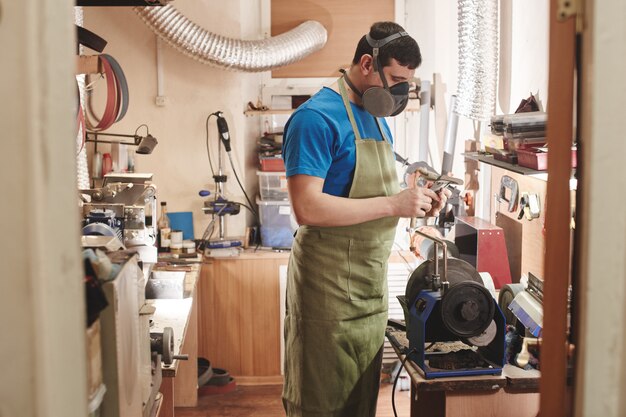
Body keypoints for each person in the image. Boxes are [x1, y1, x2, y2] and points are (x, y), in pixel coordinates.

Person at [281, 21, 450, 416]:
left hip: (367, 291)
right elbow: (307, 207)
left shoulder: (375, 117)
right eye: (394, 79)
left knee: (360, 407)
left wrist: (417, 196)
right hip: (326, 292)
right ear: (366, 63)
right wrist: (395, 205)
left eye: (405, 83)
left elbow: (368, 188)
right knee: (320, 405)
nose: (398, 92)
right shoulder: (315, 119)